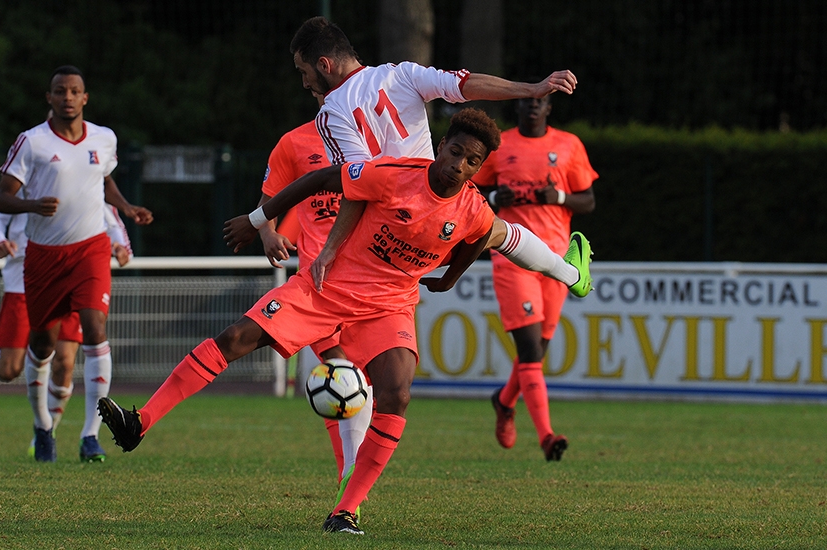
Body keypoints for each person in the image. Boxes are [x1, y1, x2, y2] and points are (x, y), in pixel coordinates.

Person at [100, 109, 513, 535]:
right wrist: (260, 223)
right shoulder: (392, 171)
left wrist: (450, 278)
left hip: (388, 306)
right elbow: (318, 181)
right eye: (455, 152)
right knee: (236, 338)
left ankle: (346, 511)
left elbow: (484, 232)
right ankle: (140, 422)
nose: (457, 166)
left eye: (471, 162)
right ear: (441, 145)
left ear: (479, 168)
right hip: (325, 287)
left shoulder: (472, 206)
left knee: (397, 393)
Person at [288, 16, 590, 301]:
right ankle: (569, 273)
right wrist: (531, 89)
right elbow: (464, 84)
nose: (304, 83)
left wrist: (329, 249)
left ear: (324, 65)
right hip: (439, 209)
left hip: (388, 231)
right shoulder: (402, 74)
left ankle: (340, 355)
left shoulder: (331, 113)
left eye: (304, 72)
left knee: (352, 308)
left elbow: (357, 185)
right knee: (495, 230)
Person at [0, 65, 153, 462]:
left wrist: (126, 207)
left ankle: (91, 436)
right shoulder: (32, 142)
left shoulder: (104, 138)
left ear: (85, 98)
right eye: (59, 91)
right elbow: (0, 198)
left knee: (95, 328)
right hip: (43, 256)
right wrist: (31, 205)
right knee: (42, 344)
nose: (67, 97)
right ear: (50, 97)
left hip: (90, 250)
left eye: (74, 91)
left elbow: (104, 179)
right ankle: (43, 425)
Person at [257, 91, 373, 516]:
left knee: (363, 384)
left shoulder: (376, 138)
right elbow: (271, 196)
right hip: (317, 285)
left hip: (371, 283)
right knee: (339, 375)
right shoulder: (293, 143)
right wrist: (268, 232)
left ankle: (352, 477)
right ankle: (349, 485)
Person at [472, 94, 598, 461]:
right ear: (518, 108)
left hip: (558, 262)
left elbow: (587, 200)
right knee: (528, 351)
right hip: (512, 258)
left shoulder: (568, 145)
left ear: (548, 109)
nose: (532, 106)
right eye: (526, 101)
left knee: (538, 351)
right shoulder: (500, 145)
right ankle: (546, 435)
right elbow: (470, 191)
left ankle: (504, 399)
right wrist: (495, 194)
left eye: (539, 102)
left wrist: (558, 196)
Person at [0, 204, 134, 462]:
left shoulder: (85, 175)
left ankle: (47, 433)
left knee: (64, 362)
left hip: (70, 278)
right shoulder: (29, 175)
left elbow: (109, 215)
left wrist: (121, 247)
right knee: (9, 369)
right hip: (22, 283)